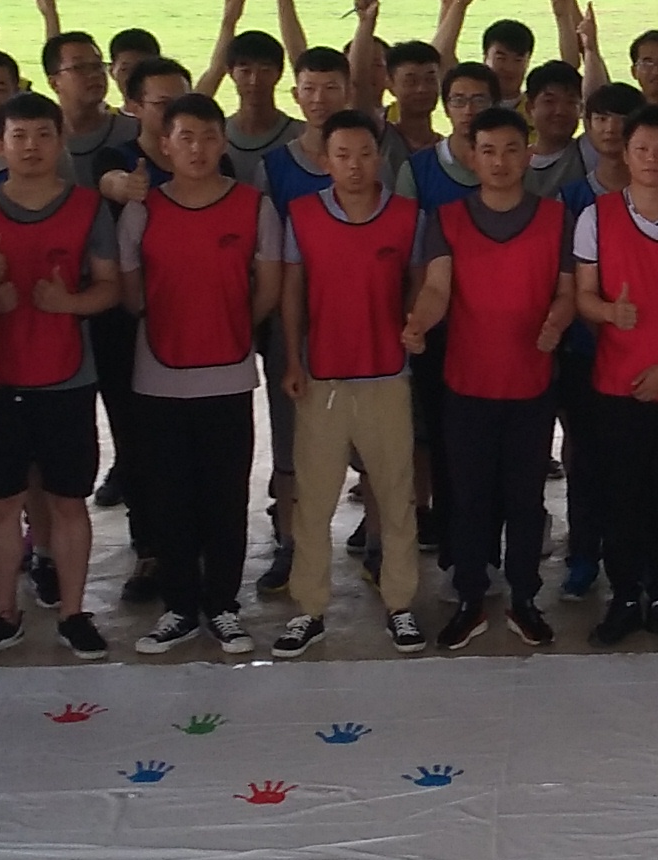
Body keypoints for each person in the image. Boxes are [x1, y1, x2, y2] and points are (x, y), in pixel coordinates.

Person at [115, 91, 282, 658]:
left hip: (228, 377)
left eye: (209, 137)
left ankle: (224, 606)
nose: (198, 148)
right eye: (185, 137)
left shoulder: (254, 206)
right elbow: (131, 292)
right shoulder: (142, 210)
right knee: (170, 498)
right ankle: (180, 607)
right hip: (158, 377)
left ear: (223, 141)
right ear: (165, 145)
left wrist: (230, 329)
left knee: (225, 497)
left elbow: (268, 287)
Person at [0, 91, 119, 661]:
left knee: (68, 501)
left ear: (60, 140)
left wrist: (69, 304)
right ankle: (4, 614)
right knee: (0, 504)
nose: (30, 147)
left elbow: (110, 287)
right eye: (18, 136)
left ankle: (73, 613)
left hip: (66, 378)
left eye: (43, 135)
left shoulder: (88, 208)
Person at [413, 106, 575, 650]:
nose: (500, 162)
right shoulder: (448, 219)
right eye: (488, 151)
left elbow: (567, 292)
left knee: (525, 499)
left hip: (531, 385)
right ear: (471, 156)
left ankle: (524, 598)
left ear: (528, 155)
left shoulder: (555, 218)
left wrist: (557, 321)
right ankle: (470, 598)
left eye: (510, 150)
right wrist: (417, 322)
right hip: (467, 386)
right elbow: (437, 288)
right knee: (468, 499)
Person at [277, 111, 428, 656]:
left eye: (365, 154)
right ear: (325, 161)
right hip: (323, 378)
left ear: (380, 157)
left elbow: (420, 286)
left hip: (387, 376)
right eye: (343, 155)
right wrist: (292, 360)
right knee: (313, 500)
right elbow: (292, 291)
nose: (355, 165)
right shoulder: (302, 215)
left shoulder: (408, 217)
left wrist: (415, 327)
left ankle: (400, 604)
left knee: (396, 497)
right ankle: (309, 608)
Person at [568, 106, 658, 644]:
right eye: (641, 149)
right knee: (621, 495)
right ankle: (626, 595)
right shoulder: (596, 217)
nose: (651, 159)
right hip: (615, 386)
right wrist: (611, 313)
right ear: (624, 154)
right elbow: (583, 296)